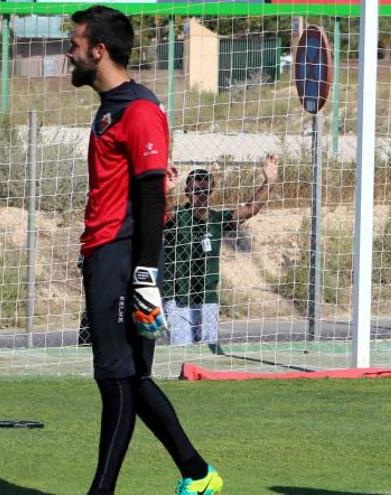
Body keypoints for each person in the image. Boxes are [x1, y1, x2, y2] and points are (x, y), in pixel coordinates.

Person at [66, 6, 222, 494]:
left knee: (117, 377)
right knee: (127, 377)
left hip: (125, 256)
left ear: (99, 50)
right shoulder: (109, 106)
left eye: (74, 43)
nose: (68, 52)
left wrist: (144, 275)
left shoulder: (140, 108)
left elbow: (153, 194)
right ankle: (199, 474)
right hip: (104, 255)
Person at [162, 154, 278, 346]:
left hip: (207, 299)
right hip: (177, 298)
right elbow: (165, 211)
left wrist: (269, 181)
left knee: (207, 355)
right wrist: (167, 190)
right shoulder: (178, 216)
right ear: (187, 191)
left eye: (204, 191)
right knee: (181, 356)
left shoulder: (217, 219)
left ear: (211, 192)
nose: (200, 195)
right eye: (195, 190)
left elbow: (250, 209)